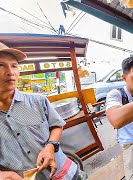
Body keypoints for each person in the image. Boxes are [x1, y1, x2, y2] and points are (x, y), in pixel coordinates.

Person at [0, 42, 81, 179]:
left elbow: (57, 125)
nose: (11, 72)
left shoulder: (38, 101)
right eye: (1, 65)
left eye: (14, 66)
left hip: (65, 174)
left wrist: (50, 146)